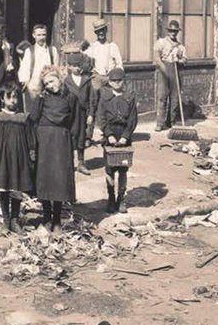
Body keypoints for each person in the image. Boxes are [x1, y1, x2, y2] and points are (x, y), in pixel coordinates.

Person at [29, 65, 80, 232]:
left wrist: (73, 145)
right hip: (44, 141)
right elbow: (34, 119)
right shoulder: (42, 98)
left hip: (61, 141)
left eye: (52, 81)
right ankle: (46, 216)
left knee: (59, 180)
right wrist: (33, 145)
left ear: (59, 78)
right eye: (46, 83)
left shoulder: (71, 97)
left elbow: (75, 122)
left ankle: (57, 219)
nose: (50, 85)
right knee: (44, 179)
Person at [0, 87, 35, 233]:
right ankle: (6, 220)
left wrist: (32, 155)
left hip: (19, 159)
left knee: (17, 189)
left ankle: (14, 219)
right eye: (9, 97)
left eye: (15, 97)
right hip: (3, 159)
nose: (13, 101)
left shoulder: (23, 118)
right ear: (3, 99)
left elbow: (31, 139)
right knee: (4, 189)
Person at [93, 66, 138, 213]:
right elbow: (101, 117)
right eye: (113, 81)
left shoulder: (130, 96)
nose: (117, 83)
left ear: (123, 81)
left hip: (124, 135)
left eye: (119, 81)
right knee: (110, 168)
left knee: (123, 169)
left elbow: (132, 118)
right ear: (109, 82)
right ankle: (111, 198)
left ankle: (121, 198)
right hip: (110, 136)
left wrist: (126, 136)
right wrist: (109, 134)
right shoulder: (104, 98)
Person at [63, 46, 94, 174]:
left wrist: (91, 113)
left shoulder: (87, 81)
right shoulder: (66, 81)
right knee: (71, 136)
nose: (78, 68)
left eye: (79, 65)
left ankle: (81, 163)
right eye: (75, 66)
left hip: (82, 113)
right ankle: (69, 163)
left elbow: (92, 99)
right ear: (69, 66)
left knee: (82, 136)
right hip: (71, 114)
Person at [86, 18, 124, 123]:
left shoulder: (113, 46)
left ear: (106, 30)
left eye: (103, 30)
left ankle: (108, 132)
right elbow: (86, 63)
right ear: (96, 33)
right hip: (97, 77)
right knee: (92, 103)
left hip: (110, 79)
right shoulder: (92, 47)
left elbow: (120, 64)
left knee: (111, 103)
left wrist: (116, 77)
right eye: (98, 31)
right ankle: (89, 134)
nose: (101, 33)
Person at [153, 20, 186, 132]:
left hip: (176, 70)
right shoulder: (161, 42)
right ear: (168, 31)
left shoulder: (180, 46)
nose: (173, 33)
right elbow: (157, 58)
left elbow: (185, 60)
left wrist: (179, 60)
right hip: (163, 69)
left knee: (175, 98)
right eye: (171, 31)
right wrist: (164, 69)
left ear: (177, 32)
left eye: (175, 31)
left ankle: (171, 121)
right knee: (162, 97)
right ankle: (160, 123)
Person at [18, 24, 59, 111]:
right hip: (34, 87)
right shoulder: (30, 51)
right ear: (34, 35)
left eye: (43, 35)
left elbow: (56, 69)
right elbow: (24, 69)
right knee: (33, 112)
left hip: (49, 87)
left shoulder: (52, 50)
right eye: (39, 35)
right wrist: (26, 82)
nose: (41, 37)